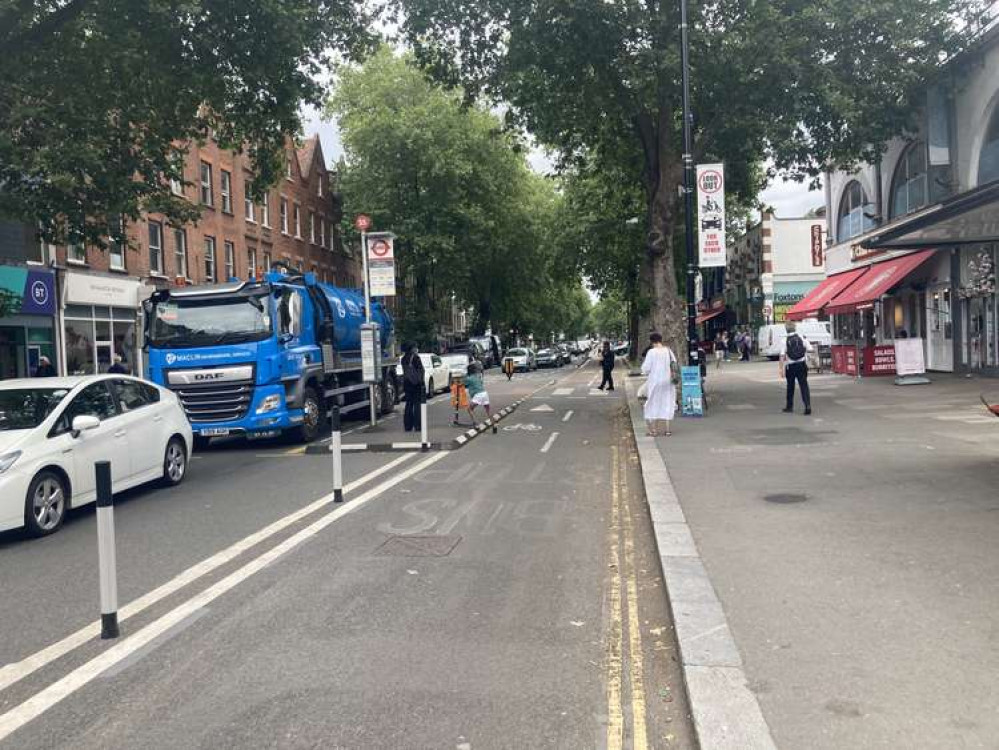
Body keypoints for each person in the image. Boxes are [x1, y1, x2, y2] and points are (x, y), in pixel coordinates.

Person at [641, 332, 678, 437]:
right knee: (667, 402)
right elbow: (674, 363)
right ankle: (667, 430)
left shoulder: (651, 352)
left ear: (651, 341)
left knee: (652, 403)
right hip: (668, 381)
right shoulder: (668, 351)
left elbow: (646, 368)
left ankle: (654, 430)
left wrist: (645, 371)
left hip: (655, 381)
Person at [780, 321, 813, 415]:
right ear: (795, 328)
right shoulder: (802, 338)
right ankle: (807, 405)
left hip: (790, 366)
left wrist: (781, 369)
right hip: (801, 364)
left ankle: (789, 406)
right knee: (804, 385)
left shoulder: (784, 340)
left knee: (790, 386)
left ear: (786, 329)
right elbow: (810, 349)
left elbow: (782, 355)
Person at [464, 360, 497, 433]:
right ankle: (494, 425)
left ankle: (476, 424)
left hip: (478, 395)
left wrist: (466, 375)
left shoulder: (469, 378)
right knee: (488, 411)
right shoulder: (478, 376)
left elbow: (463, 383)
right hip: (484, 393)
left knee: (469, 409)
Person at [401, 342, 425, 432]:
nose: (416, 349)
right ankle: (418, 425)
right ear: (412, 349)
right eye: (415, 347)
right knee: (417, 404)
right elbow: (421, 370)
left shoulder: (403, 359)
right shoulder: (416, 358)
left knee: (408, 404)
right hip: (416, 384)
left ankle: (408, 425)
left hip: (407, 383)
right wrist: (421, 381)